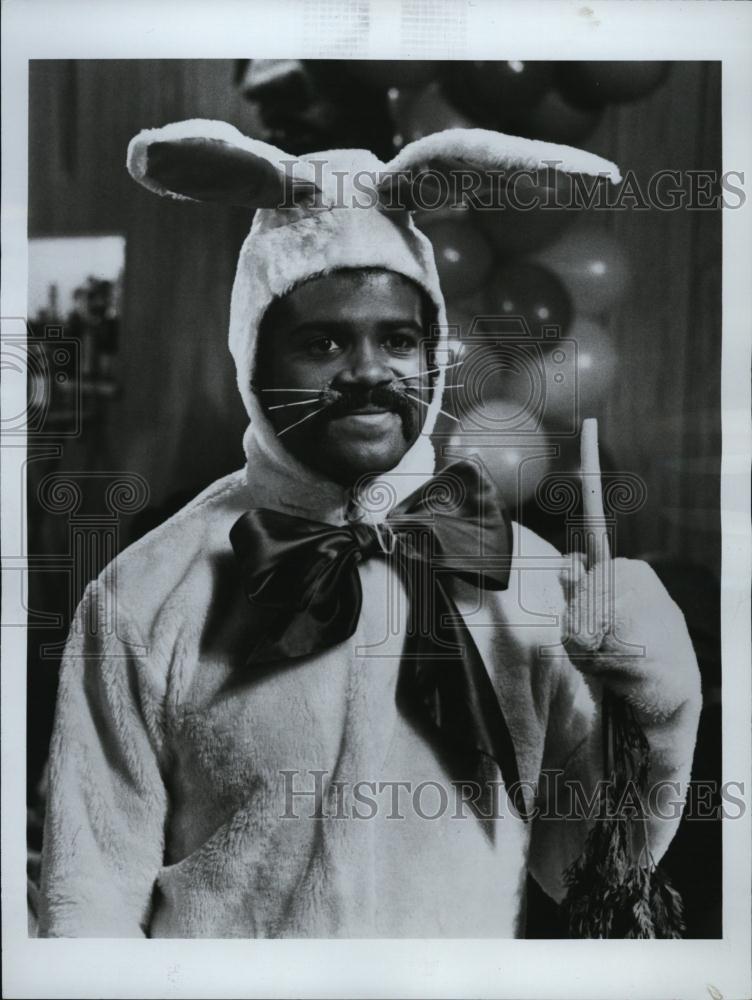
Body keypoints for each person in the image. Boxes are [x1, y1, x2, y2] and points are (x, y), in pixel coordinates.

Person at [38, 119, 702, 938]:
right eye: (322, 341)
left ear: (432, 353)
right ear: (255, 365)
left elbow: (592, 868)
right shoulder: (141, 593)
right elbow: (90, 895)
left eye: (397, 339)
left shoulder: (531, 587)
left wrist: (659, 707)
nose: (367, 373)